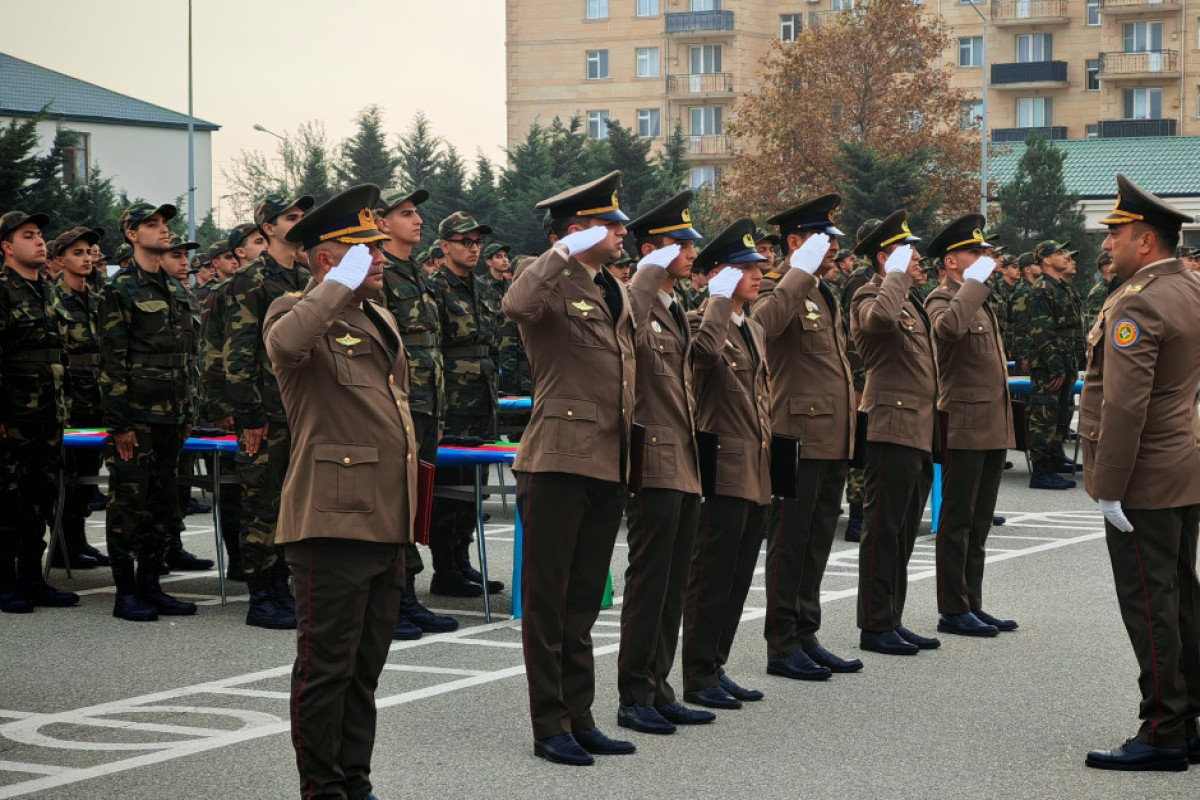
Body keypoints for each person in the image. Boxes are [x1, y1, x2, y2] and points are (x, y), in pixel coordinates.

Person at [262, 183, 417, 799]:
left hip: (386, 518)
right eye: (364, 248)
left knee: (364, 670)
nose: (379, 256)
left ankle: (355, 779)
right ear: (330, 258)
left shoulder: (374, 315)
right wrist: (332, 285)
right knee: (325, 669)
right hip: (330, 519)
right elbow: (287, 345)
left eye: (378, 247)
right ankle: (321, 788)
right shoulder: (293, 310)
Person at [502, 170, 638, 766]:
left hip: (608, 458)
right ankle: (549, 723)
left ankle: (580, 715)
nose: (621, 234)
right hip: (558, 457)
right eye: (610, 225)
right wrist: (556, 253)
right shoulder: (551, 280)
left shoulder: (612, 287)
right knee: (549, 600)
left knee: (584, 598)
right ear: (577, 232)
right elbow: (515, 303)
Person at [1081, 174, 1200, 772]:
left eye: (1118, 234)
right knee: (1181, 598)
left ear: (1146, 241)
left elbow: (1126, 404)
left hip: (1145, 478)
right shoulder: (1189, 288)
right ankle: (1190, 719)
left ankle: (1162, 731)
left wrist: (1107, 486)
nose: (1109, 245)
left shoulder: (1139, 300)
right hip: (1181, 466)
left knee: (1150, 604)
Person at [616, 191, 716, 735]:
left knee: (674, 580)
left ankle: (659, 684)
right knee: (650, 580)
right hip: (652, 458)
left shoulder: (676, 305)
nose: (690, 252)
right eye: (679, 244)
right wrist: (647, 274)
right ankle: (634, 693)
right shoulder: (637, 298)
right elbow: (624, 322)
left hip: (684, 456)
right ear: (651, 250)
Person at [753, 195, 861, 680]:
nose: (835, 247)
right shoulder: (781, 287)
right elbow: (763, 327)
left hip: (830, 434)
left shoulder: (821, 291)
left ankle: (806, 632)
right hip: (791, 434)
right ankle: (781, 643)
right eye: (825, 239)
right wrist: (797, 272)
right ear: (795, 243)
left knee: (818, 540)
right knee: (789, 540)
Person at [680, 218, 773, 709]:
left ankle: (716, 664)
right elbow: (702, 358)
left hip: (756, 465)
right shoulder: (703, 321)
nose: (757, 274)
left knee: (738, 577)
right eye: (744, 267)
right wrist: (716, 301)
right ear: (718, 276)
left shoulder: (752, 325)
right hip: (722, 463)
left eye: (758, 266)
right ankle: (696, 673)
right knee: (711, 575)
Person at [99, 202, 199, 621]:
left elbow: (188, 356)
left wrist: (190, 409)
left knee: (164, 503)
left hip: (173, 416)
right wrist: (120, 423)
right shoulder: (119, 289)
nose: (163, 231)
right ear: (131, 235)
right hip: (137, 416)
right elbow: (112, 361)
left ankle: (151, 585)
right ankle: (125, 592)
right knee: (129, 502)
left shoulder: (177, 289)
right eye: (152, 225)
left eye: (164, 224)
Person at [849, 211, 940, 656]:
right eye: (908, 252)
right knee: (882, 529)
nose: (919, 258)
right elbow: (879, 323)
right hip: (891, 425)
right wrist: (896, 274)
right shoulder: (869, 293)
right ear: (885, 257)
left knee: (904, 531)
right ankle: (873, 624)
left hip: (918, 427)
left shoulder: (910, 299)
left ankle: (892, 617)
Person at [923, 215, 1017, 638]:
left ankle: (972, 602)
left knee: (979, 521)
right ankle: (952, 608)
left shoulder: (978, 298)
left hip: (992, 423)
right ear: (951, 261)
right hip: (961, 422)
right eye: (974, 252)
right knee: (957, 520)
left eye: (984, 251)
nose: (984, 258)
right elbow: (949, 330)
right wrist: (976, 284)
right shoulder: (940, 300)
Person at [224, 194, 315, 629]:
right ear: (267, 229)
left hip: (300, 410)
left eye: (302, 216)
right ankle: (262, 596)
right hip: (265, 411)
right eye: (291, 217)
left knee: (293, 505)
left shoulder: (304, 275)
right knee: (262, 504)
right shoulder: (251, 280)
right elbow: (238, 354)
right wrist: (250, 416)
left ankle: (284, 589)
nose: (299, 222)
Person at [373, 186, 457, 638]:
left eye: (417, 213)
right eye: (405, 213)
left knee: (414, 504)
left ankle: (407, 598)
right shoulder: (379, 274)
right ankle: (393, 604)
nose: (417, 219)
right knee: (394, 503)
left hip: (428, 404)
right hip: (401, 405)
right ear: (381, 223)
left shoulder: (418, 274)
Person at [0, 211, 80, 612]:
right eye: (27, 235)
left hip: (48, 413)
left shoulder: (48, 290)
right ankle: (5, 581)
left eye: (40, 235)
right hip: (13, 415)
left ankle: (33, 578)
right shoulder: (2, 289)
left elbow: (58, 354)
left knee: (40, 499)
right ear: (6, 247)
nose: (39, 241)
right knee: (8, 500)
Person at [427, 212, 503, 597]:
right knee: (448, 489)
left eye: (477, 242)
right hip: (454, 399)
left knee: (474, 487)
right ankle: (445, 569)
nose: (473, 248)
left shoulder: (481, 288)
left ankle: (462, 560)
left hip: (481, 397)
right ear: (444, 246)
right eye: (464, 242)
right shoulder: (435, 288)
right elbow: (433, 351)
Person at [48, 227, 109, 570]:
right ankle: (61, 546)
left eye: (88, 252)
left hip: (96, 399)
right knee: (65, 479)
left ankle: (78, 541)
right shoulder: (52, 298)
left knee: (87, 478)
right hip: (68, 401)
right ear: (58, 260)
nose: (86, 258)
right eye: (76, 253)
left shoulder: (98, 300)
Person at [1026, 240, 1079, 489]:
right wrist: (1056, 365)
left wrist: (1071, 364)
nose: (1064, 256)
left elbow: (1072, 330)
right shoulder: (1042, 288)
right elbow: (1042, 331)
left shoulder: (1060, 287)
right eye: (1059, 252)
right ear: (1046, 259)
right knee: (1043, 416)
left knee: (1059, 414)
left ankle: (1054, 459)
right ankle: (1040, 471)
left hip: (1064, 361)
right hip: (1049, 364)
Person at [1085, 251, 1114, 331]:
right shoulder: (1098, 292)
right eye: (1113, 263)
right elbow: (1095, 322)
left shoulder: (1119, 285)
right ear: (1106, 268)